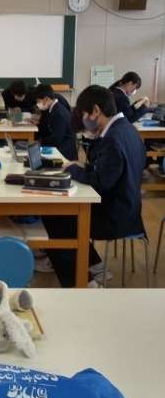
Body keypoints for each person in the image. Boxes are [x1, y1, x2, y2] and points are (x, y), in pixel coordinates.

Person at [42, 85, 146, 287]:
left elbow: (101, 182)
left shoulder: (113, 138)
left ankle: (82, 283)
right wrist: (86, 167)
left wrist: (73, 169)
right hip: (128, 208)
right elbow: (114, 170)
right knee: (62, 215)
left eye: (84, 114)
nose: (83, 120)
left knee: (55, 216)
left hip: (115, 216)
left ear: (96, 111)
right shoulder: (127, 130)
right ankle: (95, 265)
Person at [34, 84, 78, 160]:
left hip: (64, 153)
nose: (38, 104)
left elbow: (56, 139)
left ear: (46, 99)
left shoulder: (58, 113)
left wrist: (40, 142)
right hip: (59, 147)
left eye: (38, 101)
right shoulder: (53, 109)